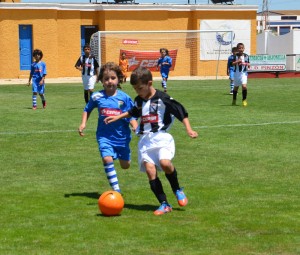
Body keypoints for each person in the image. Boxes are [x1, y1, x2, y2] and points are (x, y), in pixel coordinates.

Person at [105, 66, 198, 216]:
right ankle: (164, 204)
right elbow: (133, 112)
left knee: (165, 163)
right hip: (145, 140)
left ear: (149, 83)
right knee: (150, 170)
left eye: (140, 88)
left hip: (161, 138)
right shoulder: (139, 100)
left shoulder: (163, 98)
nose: (137, 92)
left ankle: (177, 189)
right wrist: (117, 117)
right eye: (135, 89)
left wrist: (189, 129)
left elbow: (180, 111)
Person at [78, 62, 138, 193]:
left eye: (112, 78)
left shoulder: (125, 98)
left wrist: (134, 126)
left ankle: (123, 156)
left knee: (125, 165)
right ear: (101, 81)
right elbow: (87, 109)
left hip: (122, 137)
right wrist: (83, 123)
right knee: (107, 158)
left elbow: (132, 115)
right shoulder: (97, 96)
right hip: (104, 136)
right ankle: (116, 189)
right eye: (106, 79)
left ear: (119, 79)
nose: (109, 81)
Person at [231, 43, 250, 107]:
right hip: (236, 73)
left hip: (244, 73)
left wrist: (247, 64)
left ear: (244, 48)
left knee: (244, 86)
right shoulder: (234, 56)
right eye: (239, 48)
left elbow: (248, 64)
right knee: (236, 87)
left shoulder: (246, 56)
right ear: (237, 49)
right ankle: (234, 100)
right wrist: (237, 61)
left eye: (242, 48)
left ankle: (244, 100)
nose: (241, 49)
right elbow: (232, 64)